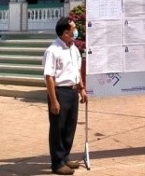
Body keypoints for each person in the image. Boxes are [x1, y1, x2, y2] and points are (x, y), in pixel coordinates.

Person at [43, 17, 88, 175]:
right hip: (59, 92)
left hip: (72, 91)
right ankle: (57, 163)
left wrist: (81, 88)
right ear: (65, 33)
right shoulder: (53, 50)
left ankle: (65, 156)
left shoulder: (73, 48)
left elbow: (77, 70)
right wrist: (54, 100)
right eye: (73, 29)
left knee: (70, 126)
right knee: (57, 128)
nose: (76, 31)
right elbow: (49, 77)